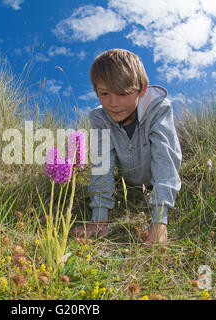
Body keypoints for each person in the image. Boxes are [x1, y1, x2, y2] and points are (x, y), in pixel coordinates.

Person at [73, 49, 182, 244]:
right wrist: (99, 218)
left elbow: (165, 159)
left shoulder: (159, 108)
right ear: (96, 92)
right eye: (104, 94)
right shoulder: (100, 119)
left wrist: (159, 222)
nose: (113, 103)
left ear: (142, 89)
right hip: (128, 181)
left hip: (155, 176)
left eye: (123, 93)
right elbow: (102, 164)